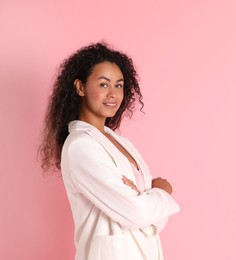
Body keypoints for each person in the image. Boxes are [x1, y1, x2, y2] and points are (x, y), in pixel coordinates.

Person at [39, 42, 180, 260]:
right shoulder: (80, 147)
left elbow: (153, 221)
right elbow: (139, 212)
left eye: (119, 85)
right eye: (104, 85)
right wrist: (160, 192)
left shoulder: (119, 142)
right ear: (80, 87)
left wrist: (145, 203)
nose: (113, 94)